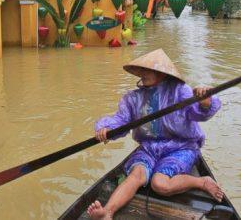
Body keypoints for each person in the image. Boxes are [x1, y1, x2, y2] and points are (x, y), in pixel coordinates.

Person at [87, 49, 224, 220]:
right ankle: (107, 212)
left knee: (159, 183)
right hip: (149, 148)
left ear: (161, 73)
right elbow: (121, 121)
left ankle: (202, 181)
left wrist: (205, 102)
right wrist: (106, 129)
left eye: (147, 70)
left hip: (180, 147)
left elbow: (199, 113)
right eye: (142, 70)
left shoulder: (179, 91)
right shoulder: (133, 98)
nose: (142, 74)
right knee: (136, 174)